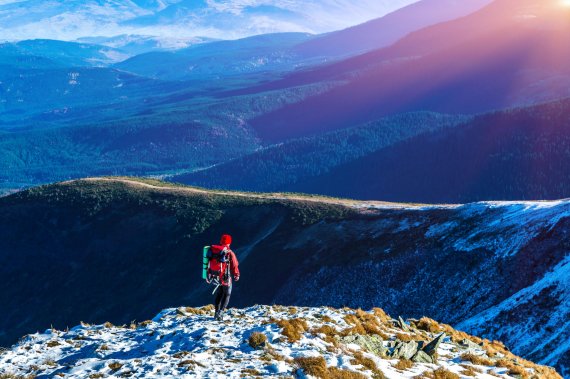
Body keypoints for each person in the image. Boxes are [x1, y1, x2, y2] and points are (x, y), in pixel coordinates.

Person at [207, 234, 240, 320]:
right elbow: (234, 265)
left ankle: (216, 312)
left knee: (219, 293)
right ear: (229, 243)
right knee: (227, 294)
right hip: (225, 277)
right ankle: (220, 313)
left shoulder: (214, 250)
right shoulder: (229, 252)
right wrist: (236, 275)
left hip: (216, 276)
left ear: (221, 241)